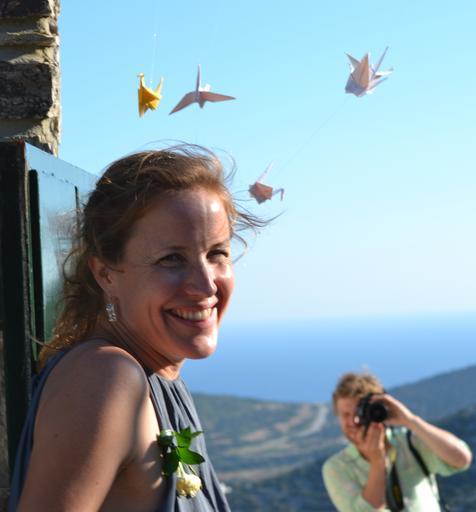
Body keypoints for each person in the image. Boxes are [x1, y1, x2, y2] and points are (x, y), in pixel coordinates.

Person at [9, 145, 263, 511]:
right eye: (172, 259)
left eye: (216, 254)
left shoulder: (156, 376)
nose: (206, 285)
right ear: (105, 274)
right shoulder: (105, 378)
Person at [322, 372, 472, 512]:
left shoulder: (410, 442)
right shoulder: (337, 467)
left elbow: (461, 459)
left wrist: (410, 420)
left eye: (359, 413)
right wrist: (378, 462)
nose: (353, 421)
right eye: (345, 415)